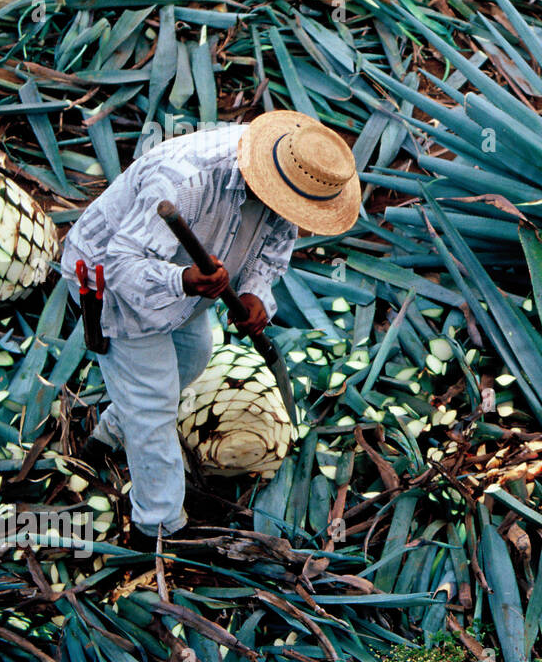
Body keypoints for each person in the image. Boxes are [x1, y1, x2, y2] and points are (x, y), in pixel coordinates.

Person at [62, 111, 361, 544]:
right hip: (113, 282)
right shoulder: (186, 178)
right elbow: (121, 263)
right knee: (153, 404)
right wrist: (182, 280)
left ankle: (111, 432)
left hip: (188, 285)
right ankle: (159, 527)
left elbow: (274, 245)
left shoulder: (297, 176)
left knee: (196, 353)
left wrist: (256, 292)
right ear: (268, 174)